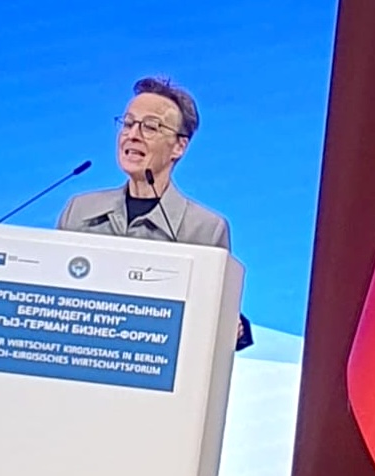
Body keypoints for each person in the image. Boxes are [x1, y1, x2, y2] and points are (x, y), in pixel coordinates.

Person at [57, 76, 253, 350]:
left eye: (150, 127)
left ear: (179, 146)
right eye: (128, 124)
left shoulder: (204, 229)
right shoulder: (79, 211)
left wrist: (232, 327)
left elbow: (211, 320)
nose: (132, 135)